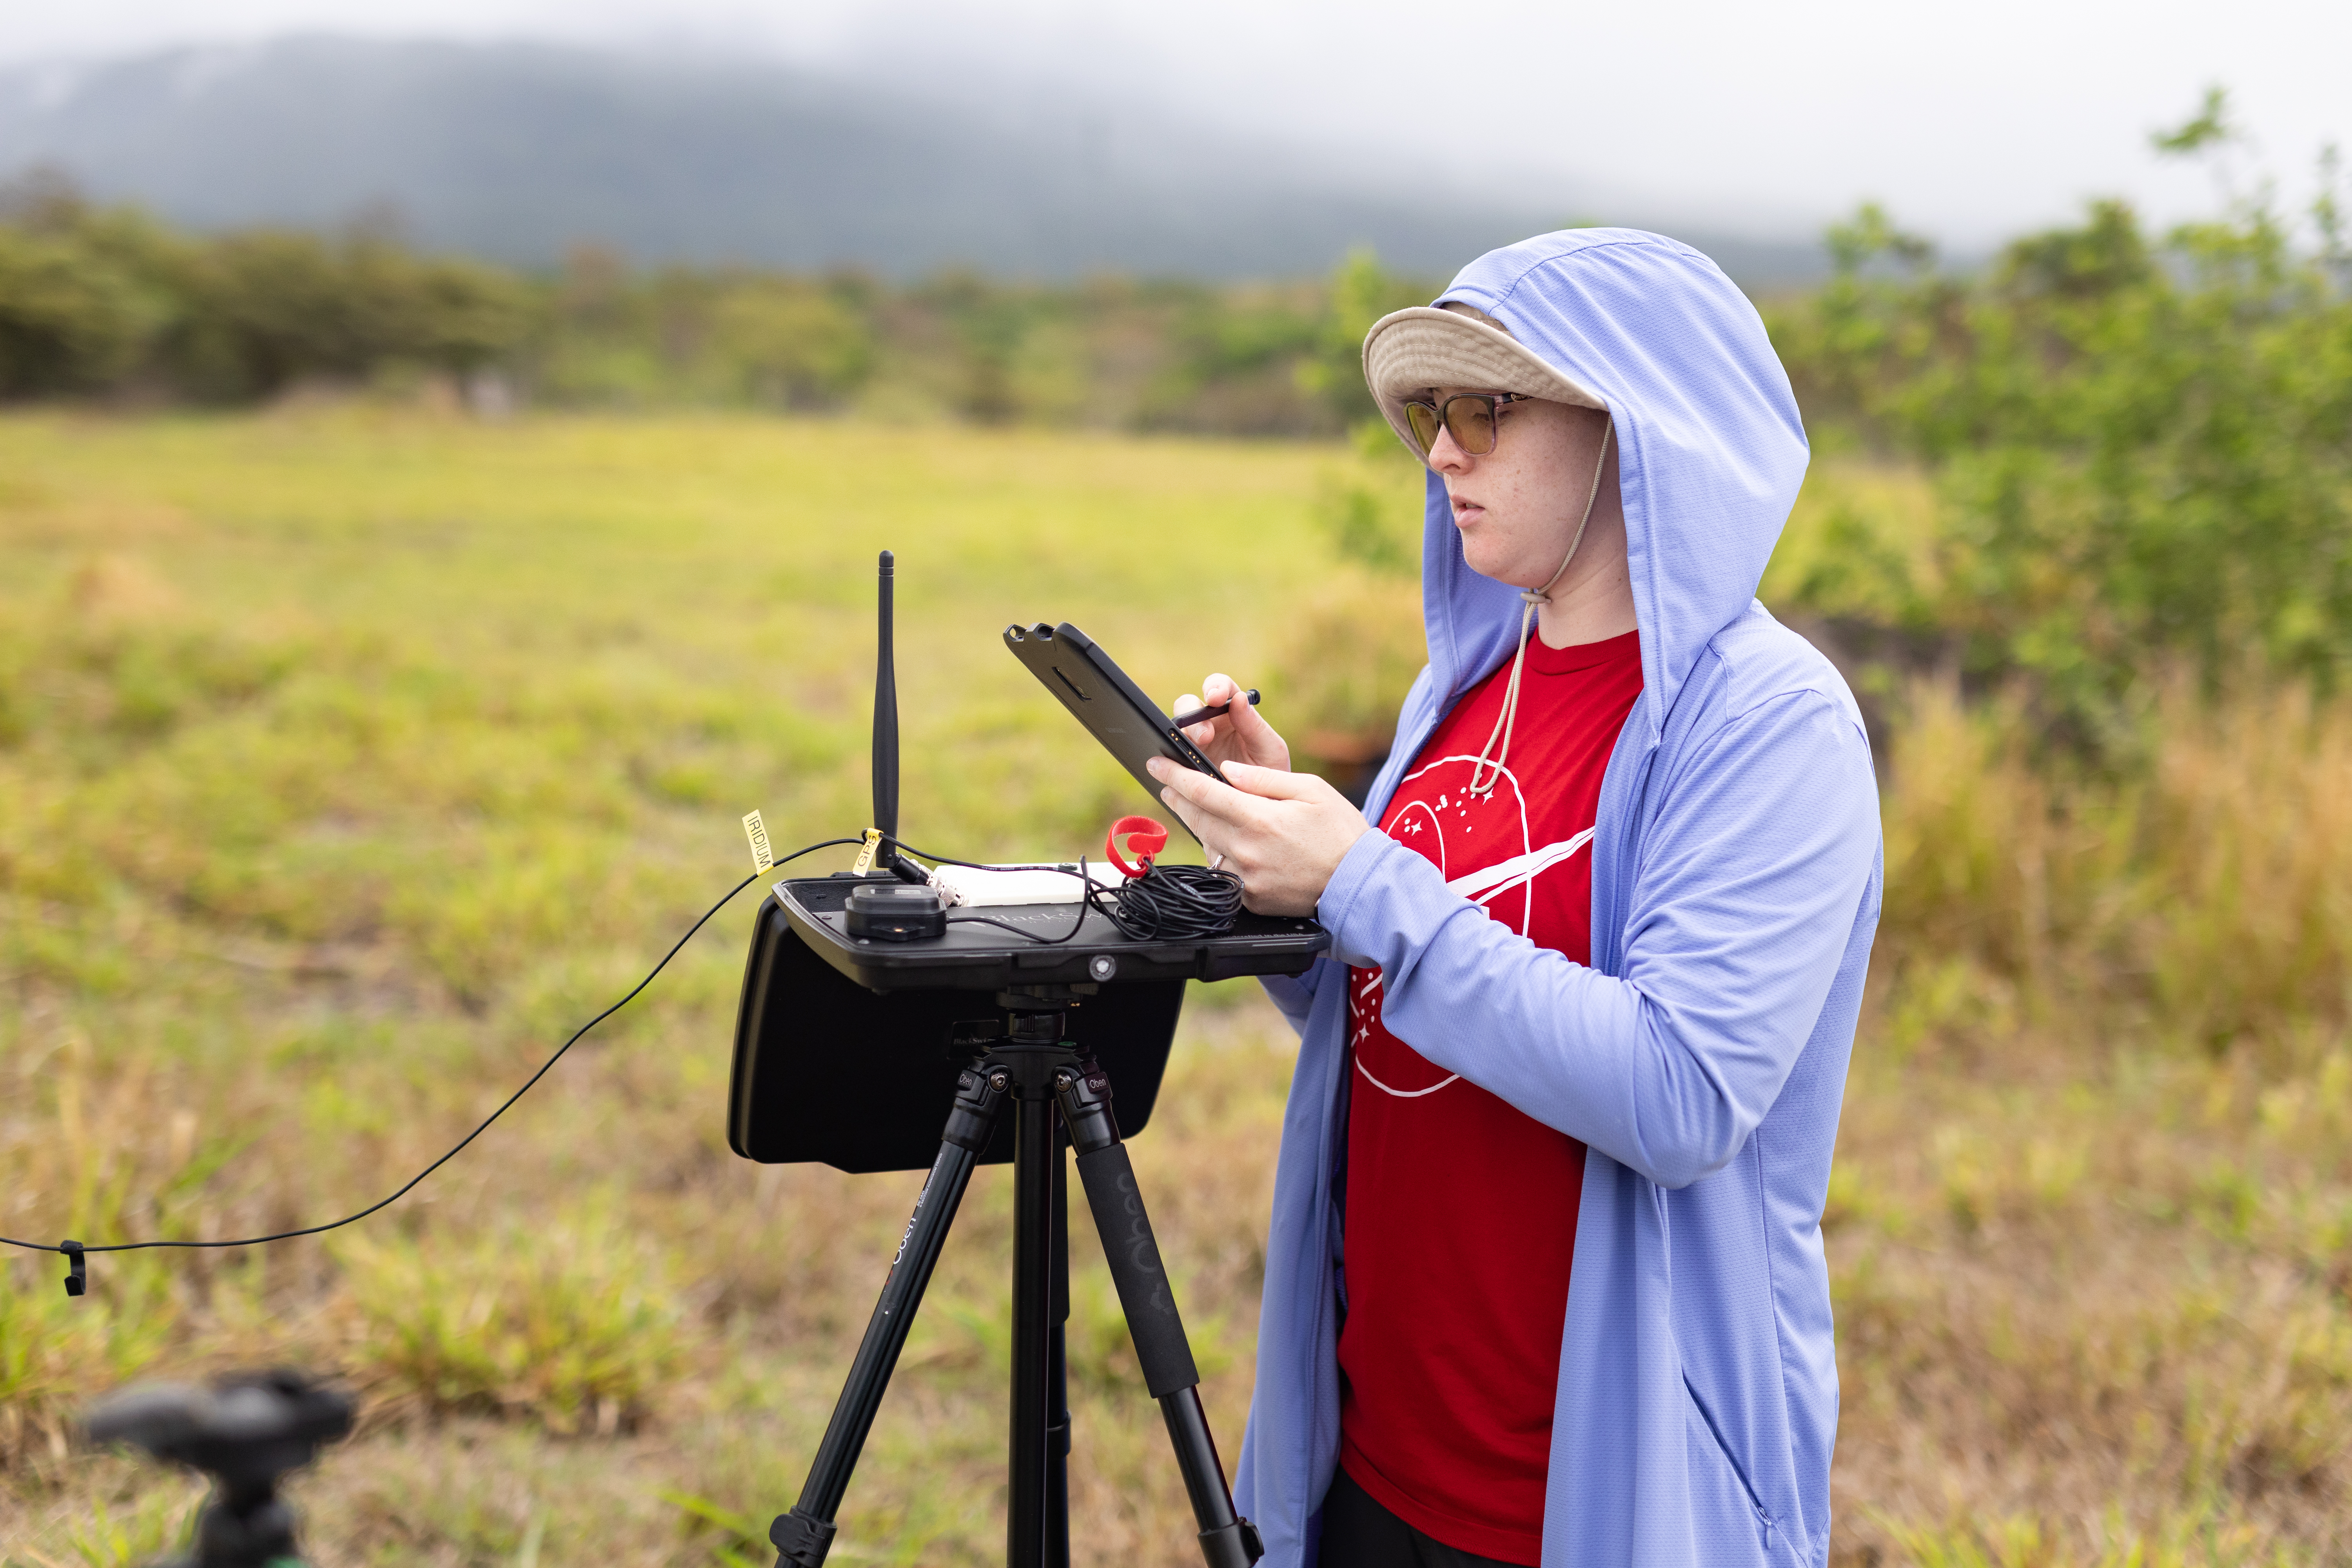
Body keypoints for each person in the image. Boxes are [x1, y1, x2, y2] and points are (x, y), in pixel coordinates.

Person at [1147, 230, 1882, 1568]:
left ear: (1636, 425)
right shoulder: (1469, 686)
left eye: (1488, 408)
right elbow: (1386, 997)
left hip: (1589, 1501)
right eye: (1434, 413)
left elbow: (1681, 1091)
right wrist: (1279, 857)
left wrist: (1365, 877)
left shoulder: (1770, 726)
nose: (1443, 453)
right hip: (1374, 1459)